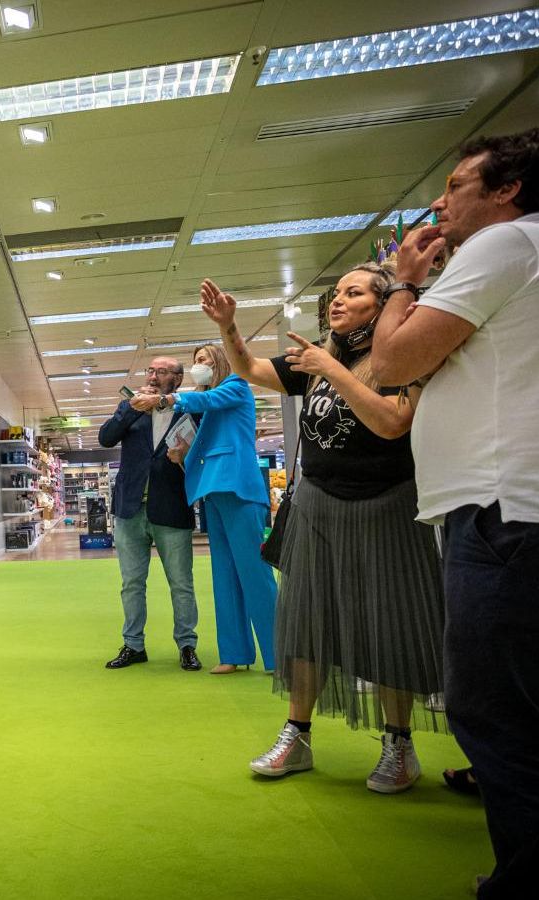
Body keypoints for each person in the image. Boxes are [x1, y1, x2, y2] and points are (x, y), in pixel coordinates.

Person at [370, 126, 539, 898]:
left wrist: (401, 283)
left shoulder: (508, 246)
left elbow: (392, 362)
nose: (440, 200)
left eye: (457, 184)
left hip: (512, 512)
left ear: (507, 189)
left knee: (500, 717)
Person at [197, 268, 445, 793]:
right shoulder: (315, 357)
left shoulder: (399, 360)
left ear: (383, 307)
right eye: (336, 293)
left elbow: (391, 422)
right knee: (304, 618)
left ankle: (399, 744)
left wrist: (331, 367)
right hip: (317, 503)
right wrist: (228, 328)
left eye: (353, 293)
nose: (338, 301)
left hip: (387, 505)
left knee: (388, 622)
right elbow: (249, 368)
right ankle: (298, 736)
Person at [162, 345, 278, 675]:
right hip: (213, 492)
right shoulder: (215, 403)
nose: (198, 366)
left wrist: (171, 399)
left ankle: (279, 653)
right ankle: (234, 653)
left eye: (205, 361)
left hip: (238, 490)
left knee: (255, 575)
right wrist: (184, 452)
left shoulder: (236, 386)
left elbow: (207, 400)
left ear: (221, 363)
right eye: (196, 361)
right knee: (224, 576)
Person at [96, 357, 202, 670]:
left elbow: (203, 452)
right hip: (130, 509)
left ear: (178, 379)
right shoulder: (130, 406)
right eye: (150, 371)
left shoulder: (191, 409)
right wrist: (131, 409)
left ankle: (186, 645)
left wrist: (185, 455)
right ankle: (133, 645)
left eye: (162, 372)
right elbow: (105, 438)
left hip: (171, 505)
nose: (154, 377)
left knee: (181, 582)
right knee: (132, 583)